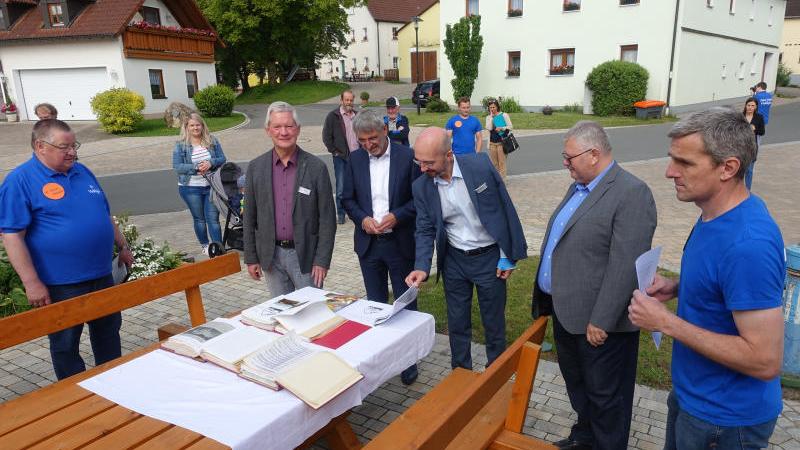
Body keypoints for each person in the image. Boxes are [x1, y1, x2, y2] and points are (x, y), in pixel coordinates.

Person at [629, 108, 785, 450]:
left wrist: (666, 323)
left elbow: (765, 360)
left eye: (684, 163)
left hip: (724, 421)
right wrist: (675, 288)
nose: (670, 172)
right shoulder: (714, 214)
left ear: (727, 168)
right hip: (693, 398)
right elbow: (724, 285)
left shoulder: (750, 244)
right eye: (672, 159)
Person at [531, 121, 657, 450]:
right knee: (580, 388)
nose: (565, 163)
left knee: (607, 400)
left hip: (599, 324)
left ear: (594, 154)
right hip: (568, 314)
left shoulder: (632, 193)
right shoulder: (580, 186)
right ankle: (584, 438)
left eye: (569, 157)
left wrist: (601, 319)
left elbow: (625, 265)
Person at [0, 119, 133, 380]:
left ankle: (114, 382)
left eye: (74, 145)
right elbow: (12, 235)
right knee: (65, 344)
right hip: (61, 284)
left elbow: (105, 215)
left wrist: (123, 245)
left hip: (101, 275)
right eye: (65, 147)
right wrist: (31, 282)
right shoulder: (20, 180)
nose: (73, 152)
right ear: (40, 146)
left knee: (108, 332)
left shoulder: (82, 172)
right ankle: (73, 394)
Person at [405, 127, 527, 370]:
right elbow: (425, 228)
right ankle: (461, 374)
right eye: (418, 161)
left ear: (448, 154)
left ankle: (496, 375)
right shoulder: (422, 186)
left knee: (493, 324)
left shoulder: (480, 166)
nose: (422, 168)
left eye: (428, 162)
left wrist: (507, 255)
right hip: (454, 261)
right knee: (457, 322)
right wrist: (421, 266)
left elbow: (503, 207)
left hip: (489, 259)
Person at [342, 110, 420, 384]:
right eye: (362, 140)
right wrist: (362, 219)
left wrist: (397, 216)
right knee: (374, 306)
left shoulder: (407, 158)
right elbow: (347, 198)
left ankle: (409, 360)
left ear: (385, 130)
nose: (367, 145)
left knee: (405, 305)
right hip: (369, 245)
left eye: (372, 139)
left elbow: (418, 201)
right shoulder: (354, 159)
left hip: (399, 243)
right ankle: (380, 359)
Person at [244, 102, 336, 296]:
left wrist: (322, 260)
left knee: (311, 315)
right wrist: (251, 257)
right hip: (271, 257)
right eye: (277, 127)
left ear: (298, 129)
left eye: (289, 126)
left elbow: (327, 219)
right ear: (268, 130)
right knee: (282, 315)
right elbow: (249, 217)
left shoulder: (316, 168)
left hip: (306, 258)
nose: (283, 132)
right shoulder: (255, 168)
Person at [172, 113, 226, 255]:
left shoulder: (212, 140)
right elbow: (177, 166)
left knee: (213, 219)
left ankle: (218, 248)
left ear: (202, 126)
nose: (195, 128)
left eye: (198, 125)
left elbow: (222, 158)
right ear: (187, 127)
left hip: (211, 186)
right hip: (190, 188)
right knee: (200, 219)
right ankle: (205, 245)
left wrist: (211, 163)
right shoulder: (180, 145)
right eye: (192, 125)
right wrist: (196, 167)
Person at [322, 90, 359, 224]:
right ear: (341, 100)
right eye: (346, 100)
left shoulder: (357, 116)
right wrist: (334, 151)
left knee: (358, 186)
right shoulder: (333, 116)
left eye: (351, 100)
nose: (349, 102)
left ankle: (356, 213)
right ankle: (341, 214)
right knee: (341, 187)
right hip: (341, 157)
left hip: (357, 156)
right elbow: (326, 136)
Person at [484, 99, 513, 178]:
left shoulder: (504, 115)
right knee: (494, 163)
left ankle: (502, 181)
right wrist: (492, 118)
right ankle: (497, 180)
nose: (492, 109)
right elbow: (489, 128)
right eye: (490, 107)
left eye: (494, 107)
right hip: (492, 143)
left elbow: (510, 127)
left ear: (497, 107)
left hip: (502, 142)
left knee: (502, 163)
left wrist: (502, 128)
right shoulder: (488, 117)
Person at [742, 97, 765, 190]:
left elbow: (762, 132)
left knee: (749, 170)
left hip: (752, 147)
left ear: (756, 107)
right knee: (738, 170)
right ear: (745, 105)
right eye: (748, 105)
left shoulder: (759, 117)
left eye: (753, 106)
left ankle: (747, 190)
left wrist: (755, 129)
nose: (750, 107)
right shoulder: (740, 116)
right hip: (739, 146)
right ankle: (736, 190)